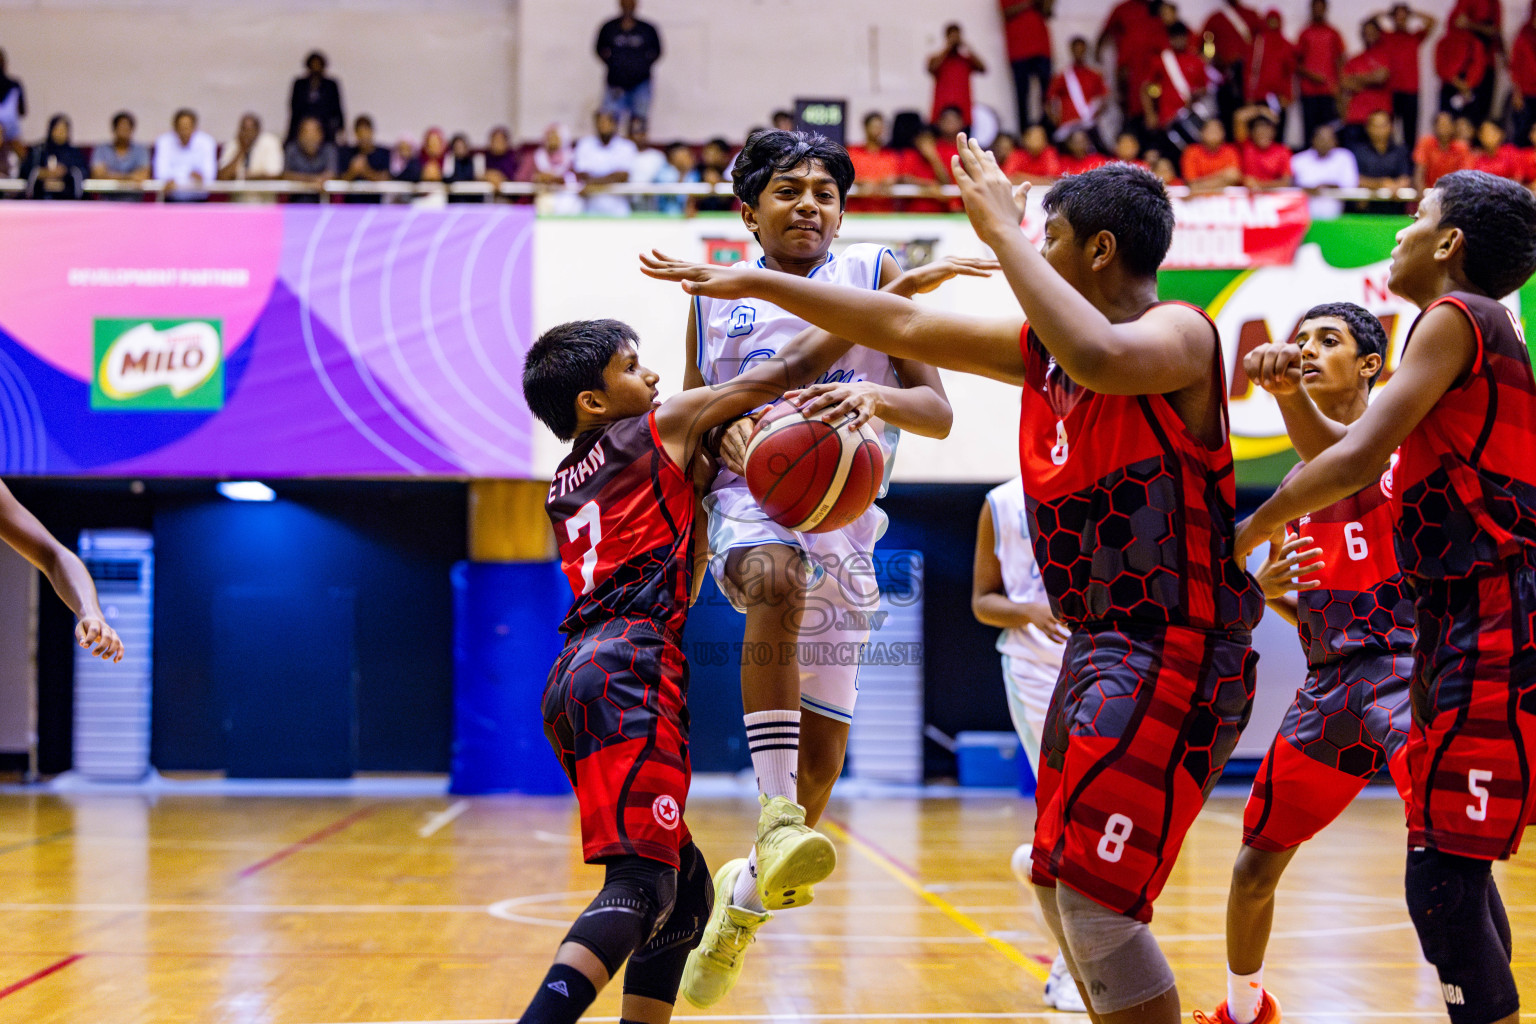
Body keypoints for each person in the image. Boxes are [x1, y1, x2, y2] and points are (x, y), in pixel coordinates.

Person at [643, 142, 1267, 1024]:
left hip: (1175, 649)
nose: (1033, 256)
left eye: (1048, 240)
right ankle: (763, 851)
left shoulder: (1177, 334)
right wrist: (751, 287)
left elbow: (1089, 353)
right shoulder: (1043, 357)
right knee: (1056, 881)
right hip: (1103, 651)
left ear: (1095, 252)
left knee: (1095, 902)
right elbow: (891, 328)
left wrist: (998, 233)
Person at [1233, 169, 1536, 1024]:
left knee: (1444, 871)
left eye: (1414, 217)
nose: (1399, 232)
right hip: (1458, 626)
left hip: (1493, 618)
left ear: (1450, 245)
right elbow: (1357, 453)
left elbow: (1356, 460)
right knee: (1453, 863)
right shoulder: (1459, 349)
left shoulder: (1455, 319)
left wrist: (1243, 534)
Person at [669, 129, 955, 1009]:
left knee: (826, 762)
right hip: (751, 511)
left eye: (825, 191)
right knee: (777, 582)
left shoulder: (877, 269)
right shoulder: (714, 299)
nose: (810, 205)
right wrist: (722, 428)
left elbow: (937, 412)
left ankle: (742, 903)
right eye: (789, 190)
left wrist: (873, 395)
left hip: (848, 524)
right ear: (746, 209)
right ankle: (773, 813)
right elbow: (687, 424)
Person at [513, 307, 816, 1024]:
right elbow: (785, 372)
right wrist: (880, 321)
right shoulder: (658, 426)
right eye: (630, 366)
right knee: (644, 883)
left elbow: (686, 544)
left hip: (574, 676)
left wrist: (708, 472)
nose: (650, 375)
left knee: (687, 888)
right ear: (592, 400)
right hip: (630, 667)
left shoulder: (565, 479)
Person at [1196, 305, 1410, 1024]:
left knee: (1450, 862)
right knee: (1254, 866)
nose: (1308, 349)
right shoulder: (1298, 488)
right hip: (1331, 688)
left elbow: (1351, 467)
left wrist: (1286, 394)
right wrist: (1271, 594)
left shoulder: (1401, 446)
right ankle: (1242, 1008)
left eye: (1330, 340)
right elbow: (1320, 607)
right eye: (1303, 337)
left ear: (1372, 364)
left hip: (1410, 674)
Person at [972, 476, 1086, 1014]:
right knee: (1070, 806)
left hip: (1102, 664)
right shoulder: (1001, 502)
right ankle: (1067, 967)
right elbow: (983, 601)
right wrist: (1030, 612)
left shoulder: (1099, 480)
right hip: (1034, 670)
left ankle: (1040, 864)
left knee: (1094, 809)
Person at [1140, 21, 1211, 152]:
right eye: (1175, 37)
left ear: (1187, 37)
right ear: (1170, 38)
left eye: (1181, 37)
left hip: (1191, 117)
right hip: (1168, 119)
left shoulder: (1197, 60)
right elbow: (1145, 88)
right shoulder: (1161, 60)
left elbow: (1205, 88)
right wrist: (1150, 115)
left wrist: (1195, 94)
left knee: (1192, 152)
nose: (1178, 41)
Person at [1371, 5, 1437, 143]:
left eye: (1403, 16)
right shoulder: (1386, 36)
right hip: (1391, 92)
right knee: (1387, 132)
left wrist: (1412, 13)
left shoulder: (1414, 37)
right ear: (1393, 18)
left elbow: (1432, 22)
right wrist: (1387, 13)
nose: (1400, 19)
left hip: (1411, 92)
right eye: (1397, 16)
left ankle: (1409, 163)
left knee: (1410, 133)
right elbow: (1372, 20)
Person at [595, 0, 662, 128]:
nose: (628, 6)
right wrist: (614, 64)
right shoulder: (609, 28)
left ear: (636, 4)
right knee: (609, 122)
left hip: (641, 83)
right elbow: (599, 49)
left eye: (631, 3)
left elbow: (657, 51)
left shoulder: (647, 29)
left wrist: (642, 65)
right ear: (620, 4)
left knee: (638, 123)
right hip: (615, 84)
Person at [1201, 0, 1265, 126]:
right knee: (1226, 118)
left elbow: (1262, 45)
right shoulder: (1215, 18)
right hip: (1225, 77)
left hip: (1248, 79)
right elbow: (1206, 47)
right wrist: (1218, 60)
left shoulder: (1251, 16)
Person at [1295, 0, 1347, 144]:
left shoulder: (1333, 33)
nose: (1318, 10)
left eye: (1321, 7)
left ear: (1325, 9)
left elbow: (1341, 60)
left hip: (1329, 91)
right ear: (1311, 9)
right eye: (1315, 7)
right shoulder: (1305, 33)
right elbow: (1296, 64)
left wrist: (1339, 86)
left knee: (1330, 130)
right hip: (1308, 92)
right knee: (1310, 131)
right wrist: (1311, 75)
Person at [1243, 10, 1296, 139]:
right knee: (1258, 132)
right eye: (1270, 20)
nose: (1273, 24)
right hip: (1259, 97)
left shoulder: (1286, 45)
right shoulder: (1257, 44)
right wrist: (1248, 96)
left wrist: (1288, 95)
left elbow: (1289, 74)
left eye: (1275, 20)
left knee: (1278, 132)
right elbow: (1250, 71)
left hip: (1278, 98)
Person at [574, 110, 637, 217]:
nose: (603, 126)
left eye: (607, 122)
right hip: (591, 209)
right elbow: (582, 174)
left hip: (618, 210)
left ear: (614, 124)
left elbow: (622, 176)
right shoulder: (585, 145)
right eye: (600, 122)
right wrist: (608, 178)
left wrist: (593, 183)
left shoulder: (626, 147)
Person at [1046, 37, 1108, 147]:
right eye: (1076, 49)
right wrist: (1055, 119)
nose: (1079, 51)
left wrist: (1095, 115)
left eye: (1081, 49)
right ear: (1071, 50)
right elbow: (1049, 100)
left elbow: (1104, 98)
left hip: (1088, 124)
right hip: (1068, 125)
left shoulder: (1094, 75)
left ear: (1085, 50)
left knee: (1102, 153)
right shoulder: (1063, 76)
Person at [1002, 0, 1053, 130]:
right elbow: (1007, 12)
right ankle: (1025, 132)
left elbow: (1047, 12)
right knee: (1022, 95)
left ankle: (1047, 130)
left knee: (1047, 94)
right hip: (1019, 50)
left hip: (1042, 48)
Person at [1339, 21, 1391, 148]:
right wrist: (1371, 78)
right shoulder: (1354, 59)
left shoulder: (1385, 55)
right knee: (1354, 159)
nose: (1369, 34)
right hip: (1356, 118)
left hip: (1379, 120)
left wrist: (1356, 79)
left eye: (1372, 31)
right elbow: (1345, 83)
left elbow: (1381, 77)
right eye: (1366, 32)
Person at [1291, 124, 1359, 218]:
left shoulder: (1345, 157)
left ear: (1335, 141)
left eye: (1329, 139)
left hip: (1337, 218)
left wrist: (1328, 186)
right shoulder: (1298, 160)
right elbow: (1289, 186)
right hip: (1302, 218)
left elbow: (1351, 185)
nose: (1325, 143)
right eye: (1321, 138)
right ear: (1313, 140)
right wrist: (1306, 189)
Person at [1435, 19, 1490, 126]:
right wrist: (1454, 80)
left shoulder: (1474, 43)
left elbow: (1479, 64)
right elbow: (1440, 65)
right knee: (1447, 121)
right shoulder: (1444, 41)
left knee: (1470, 122)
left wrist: (1468, 84)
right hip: (1450, 86)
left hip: (1469, 87)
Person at [928, 23, 986, 125]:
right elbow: (931, 68)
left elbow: (983, 68)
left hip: (964, 111)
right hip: (941, 110)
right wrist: (948, 47)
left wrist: (967, 47)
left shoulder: (966, 60)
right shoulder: (937, 58)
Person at [152, 108, 216, 200]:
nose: (184, 132)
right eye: (181, 128)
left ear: (195, 128)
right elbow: (160, 174)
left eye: (188, 128)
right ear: (175, 128)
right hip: (171, 199)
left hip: (198, 201)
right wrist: (189, 177)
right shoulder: (163, 142)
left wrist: (177, 178)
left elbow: (209, 177)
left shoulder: (207, 142)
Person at [521, 123, 583, 216]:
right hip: (541, 196)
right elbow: (521, 178)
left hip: (567, 197)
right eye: (550, 136)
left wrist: (559, 179)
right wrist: (537, 178)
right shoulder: (534, 156)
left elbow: (580, 178)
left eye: (555, 136)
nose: (552, 140)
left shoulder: (572, 157)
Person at [21, 114, 86, 200]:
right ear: (51, 130)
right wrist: (42, 173)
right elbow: (24, 171)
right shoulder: (39, 151)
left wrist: (65, 172)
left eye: (63, 130)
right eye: (57, 129)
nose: (60, 133)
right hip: (40, 200)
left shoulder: (74, 153)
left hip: (67, 200)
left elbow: (83, 172)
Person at [285, 51, 344, 145]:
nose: (315, 67)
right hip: (302, 125)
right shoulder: (299, 84)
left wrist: (341, 128)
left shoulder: (331, 85)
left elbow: (337, 107)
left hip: (325, 126)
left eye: (318, 65)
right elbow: (294, 108)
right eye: (313, 65)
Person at [847, 112, 901, 213]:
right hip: (857, 212)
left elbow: (897, 178)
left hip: (885, 212)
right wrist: (861, 182)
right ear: (865, 127)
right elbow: (842, 178)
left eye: (881, 127)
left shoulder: (891, 155)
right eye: (874, 126)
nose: (878, 131)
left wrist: (892, 181)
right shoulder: (853, 153)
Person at [1349, 108, 1412, 192]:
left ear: (1391, 127)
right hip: (1366, 201)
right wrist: (1380, 184)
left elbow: (1406, 179)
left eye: (1383, 125)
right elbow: (1354, 179)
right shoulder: (1357, 151)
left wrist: (1395, 186)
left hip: (1394, 200)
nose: (1379, 130)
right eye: (1375, 126)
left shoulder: (1401, 151)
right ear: (1367, 128)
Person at [90, 111, 150, 199]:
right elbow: (98, 175)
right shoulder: (102, 149)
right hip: (107, 200)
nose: (124, 130)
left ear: (132, 129)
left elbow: (142, 176)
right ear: (114, 129)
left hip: (133, 200)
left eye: (127, 127)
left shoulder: (140, 150)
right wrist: (129, 177)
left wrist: (111, 175)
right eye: (121, 127)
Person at [1413, 110, 1471, 190]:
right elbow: (1418, 175)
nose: (1443, 127)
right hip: (1428, 192)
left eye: (1446, 124)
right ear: (1434, 126)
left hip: (1453, 194)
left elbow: (1465, 177)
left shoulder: (1462, 147)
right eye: (1440, 124)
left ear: (1453, 126)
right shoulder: (1425, 142)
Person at [337, 115, 392, 199]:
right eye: (360, 133)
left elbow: (385, 180)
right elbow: (340, 182)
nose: (363, 136)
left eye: (366, 132)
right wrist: (353, 171)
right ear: (355, 134)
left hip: (376, 205)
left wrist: (365, 171)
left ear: (372, 131)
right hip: (351, 205)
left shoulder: (384, 153)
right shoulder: (347, 153)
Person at [217, 113, 283, 182]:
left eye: (250, 129)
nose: (246, 133)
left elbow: (273, 175)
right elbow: (222, 176)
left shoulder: (270, 142)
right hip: (237, 192)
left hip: (263, 192)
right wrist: (241, 150)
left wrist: (241, 177)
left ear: (258, 130)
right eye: (243, 129)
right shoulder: (234, 143)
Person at [283, 116, 338, 200]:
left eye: (314, 132)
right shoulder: (292, 149)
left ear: (321, 135)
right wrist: (313, 180)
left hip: (322, 202)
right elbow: (286, 175)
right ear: (299, 135)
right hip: (296, 202)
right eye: (306, 132)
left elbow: (332, 174)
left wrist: (321, 179)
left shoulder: (329, 149)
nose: (310, 137)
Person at [1181, 118, 1242, 191]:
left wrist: (1201, 185)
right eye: (1210, 130)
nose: (1214, 133)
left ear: (1223, 133)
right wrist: (1223, 177)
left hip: (1225, 198)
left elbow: (1234, 177)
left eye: (1217, 130)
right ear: (1201, 133)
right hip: (1199, 199)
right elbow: (1192, 184)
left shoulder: (1230, 151)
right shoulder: (1191, 152)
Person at [1236, 110, 1292, 187]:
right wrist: (1261, 110)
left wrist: (1259, 185)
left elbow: (1286, 182)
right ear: (1252, 133)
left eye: (1266, 131)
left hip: (1273, 194)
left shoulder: (1283, 151)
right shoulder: (1245, 146)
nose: (1263, 133)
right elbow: (1240, 117)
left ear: (1274, 132)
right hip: (1247, 194)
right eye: (1259, 131)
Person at [627, 117, 669, 212]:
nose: (638, 136)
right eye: (635, 132)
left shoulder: (657, 157)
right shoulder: (624, 155)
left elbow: (664, 180)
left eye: (641, 132)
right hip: (627, 204)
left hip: (651, 205)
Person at [1512, 6, 1536, 150]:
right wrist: (1517, 92)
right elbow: (1515, 66)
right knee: (1524, 130)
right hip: (1527, 93)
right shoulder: (1524, 37)